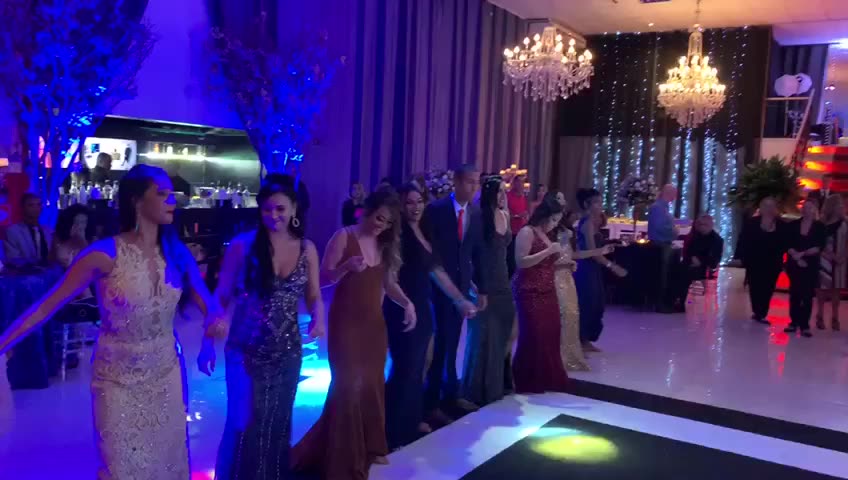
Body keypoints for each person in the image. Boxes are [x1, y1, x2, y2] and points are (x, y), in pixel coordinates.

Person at [0, 164, 226, 479]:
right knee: (121, 468)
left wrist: (211, 332)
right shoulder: (103, 254)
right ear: (136, 200)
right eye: (161, 194)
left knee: (167, 463)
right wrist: (3, 343)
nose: (172, 200)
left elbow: (209, 305)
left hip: (166, 376)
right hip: (116, 379)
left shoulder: (177, 254)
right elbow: (45, 307)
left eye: (171, 194)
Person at [202, 174, 324, 479]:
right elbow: (221, 295)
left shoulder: (307, 248)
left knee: (277, 424)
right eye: (267, 209)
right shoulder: (243, 246)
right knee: (244, 424)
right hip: (245, 352)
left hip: (287, 351)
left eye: (280, 209)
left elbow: (314, 295)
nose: (273, 216)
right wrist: (207, 341)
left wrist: (319, 317)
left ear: (294, 209)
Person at [292, 190, 416, 479]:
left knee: (372, 385)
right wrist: (346, 267)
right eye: (379, 218)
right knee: (346, 386)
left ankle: (370, 447)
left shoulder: (384, 244)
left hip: (374, 325)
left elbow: (388, 284)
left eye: (388, 222)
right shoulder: (343, 237)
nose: (381, 226)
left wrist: (408, 303)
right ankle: (345, 456)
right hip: (345, 323)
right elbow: (321, 280)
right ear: (367, 210)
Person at [385, 184, 476, 449]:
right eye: (409, 202)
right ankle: (392, 428)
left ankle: (412, 419)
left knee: (421, 364)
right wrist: (404, 302)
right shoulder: (398, 234)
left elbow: (437, 271)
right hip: (402, 305)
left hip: (423, 304)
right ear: (401, 206)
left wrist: (459, 299)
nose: (415, 207)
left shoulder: (424, 230)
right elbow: (389, 274)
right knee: (405, 366)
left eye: (419, 201)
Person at [421, 163, 488, 423]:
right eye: (470, 182)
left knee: (452, 344)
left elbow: (477, 252)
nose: (474, 187)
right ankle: (431, 402)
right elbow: (432, 254)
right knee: (439, 345)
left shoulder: (476, 212)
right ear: (457, 182)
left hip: (461, 286)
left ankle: (450, 395)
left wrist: (481, 287)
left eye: (477, 182)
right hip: (438, 287)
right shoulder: (436, 210)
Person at [461, 176, 516, 406]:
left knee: (505, 333)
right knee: (483, 337)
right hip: (484, 283)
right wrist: (473, 285)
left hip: (503, 281)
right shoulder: (478, 217)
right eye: (499, 191)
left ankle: (498, 383)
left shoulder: (505, 215)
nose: (503, 195)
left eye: (504, 191)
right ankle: (477, 390)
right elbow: (468, 253)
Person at [511, 194, 569, 393]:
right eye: (553, 220)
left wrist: (565, 263)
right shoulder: (527, 232)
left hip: (548, 290)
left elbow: (546, 264)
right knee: (534, 334)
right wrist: (548, 251)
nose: (555, 224)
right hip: (530, 290)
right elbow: (521, 262)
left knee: (550, 332)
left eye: (557, 221)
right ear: (544, 216)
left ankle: (547, 378)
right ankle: (528, 379)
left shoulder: (546, 234)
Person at [551, 193, 613, 372]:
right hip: (562, 272)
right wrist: (607, 261)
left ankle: (574, 347)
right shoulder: (564, 229)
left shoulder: (567, 230)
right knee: (571, 310)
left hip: (569, 272)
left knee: (574, 311)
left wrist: (599, 252)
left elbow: (573, 254)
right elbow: (564, 254)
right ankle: (565, 349)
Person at [574, 188, 627, 352]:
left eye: (600, 201)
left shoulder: (593, 222)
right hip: (586, 268)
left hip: (593, 269)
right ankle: (581, 341)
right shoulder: (587, 223)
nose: (600, 205)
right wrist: (613, 266)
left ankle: (585, 340)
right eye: (596, 202)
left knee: (596, 303)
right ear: (587, 204)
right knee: (588, 304)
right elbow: (593, 253)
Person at [733, 197, 787, 324]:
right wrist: (739, 257)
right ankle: (758, 311)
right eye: (766, 206)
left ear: (775, 208)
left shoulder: (782, 225)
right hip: (754, 260)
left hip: (773, 262)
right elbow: (743, 240)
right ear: (761, 208)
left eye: (771, 206)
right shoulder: (751, 223)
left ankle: (762, 312)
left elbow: (786, 243)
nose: (769, 209)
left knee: (768, 287)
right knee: (755, 286)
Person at [785, 197, 826, 337]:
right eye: (805, 207)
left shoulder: (820, 227)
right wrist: (796, 257)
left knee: (807, 295)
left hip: (810, 264)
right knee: (794, 293)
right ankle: (793, 322)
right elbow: (787, 243)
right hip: (794, 264)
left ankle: (805, 325)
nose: (806, 210)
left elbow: (819, 247)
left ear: (815, 210)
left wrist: (801, 254)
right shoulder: (793, 225)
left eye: (810, 207)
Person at [674, 214, 724, 309]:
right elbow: (688, 251)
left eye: (705, 225)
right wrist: (692, 257)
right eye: (700, 224)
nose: (702, 227)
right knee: (676, 269)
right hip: (691, 263)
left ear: (710, 225)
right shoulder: (696, 236)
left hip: (705, 267)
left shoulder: (717, 240)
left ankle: (680, 302)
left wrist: (700, 262)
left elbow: (714, 259)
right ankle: (674, 299)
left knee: (685, 273)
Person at [817, 194, 847, 331]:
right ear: (832, 206)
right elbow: (817, 243)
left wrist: (842, 256)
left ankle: (835, 318)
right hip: (824, 260)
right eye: (839, 204)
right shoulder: (821, 224)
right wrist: (828, 255)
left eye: (842, 204)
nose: (842, 206)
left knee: (836, 291)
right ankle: (820, 315)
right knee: (822, 290)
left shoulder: (845, 223)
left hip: (840, 261)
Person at [648, 184, 679, 312]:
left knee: (665, 274)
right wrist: (674, 232)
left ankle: (664, 301)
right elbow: (660, 227)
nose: (675, 196)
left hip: (664, 244)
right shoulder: (658, 208)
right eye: (674, 193)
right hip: (660, 244)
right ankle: (659, 303)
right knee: (662, 275)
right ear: (668, 193)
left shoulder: (663, 207)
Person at [3, 193, 52, 266]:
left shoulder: (48, 231)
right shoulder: (12, 232)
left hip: (50, 271)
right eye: (31, 205)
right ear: (23, 208)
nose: (36, 208)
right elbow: (13, 259)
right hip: (24, 272)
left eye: (38, 204)